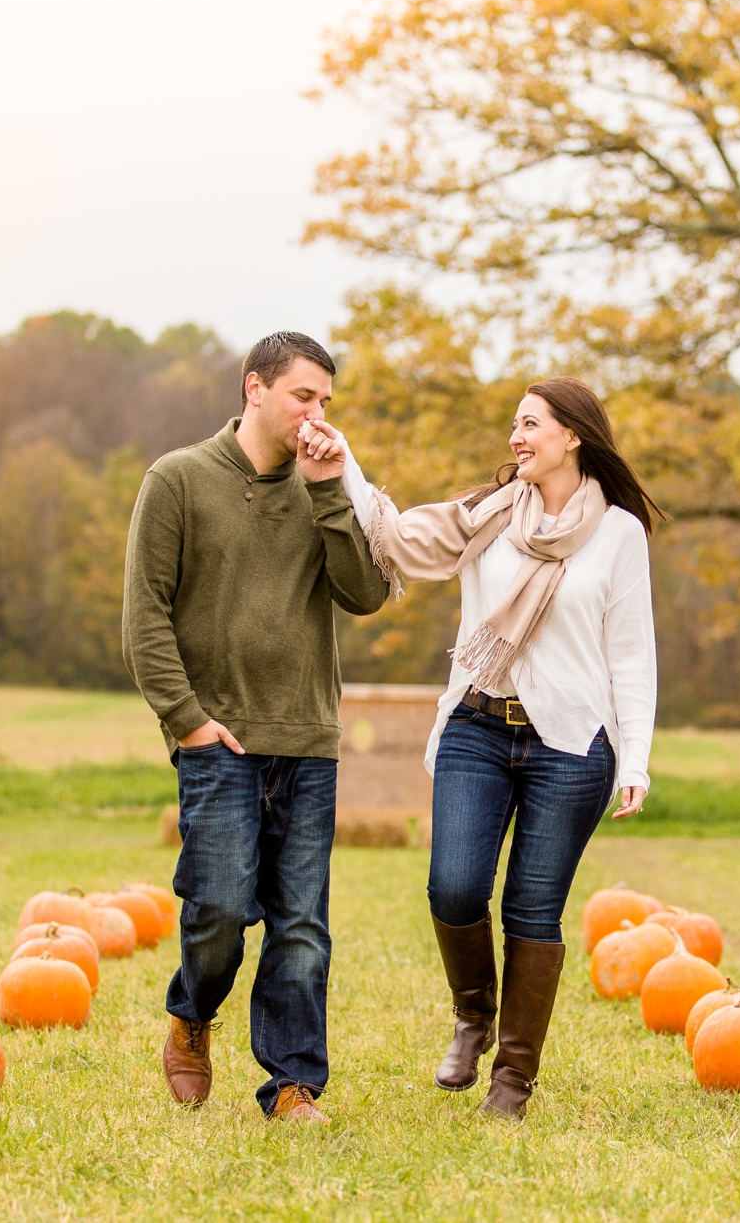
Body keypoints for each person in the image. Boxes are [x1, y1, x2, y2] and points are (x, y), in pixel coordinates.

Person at [343, 376, 659, 1119]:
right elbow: (396, 535)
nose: (516, 438)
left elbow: (632, 655)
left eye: (530, 425)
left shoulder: (619, 535)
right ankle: (472, 1015)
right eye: (514, 426)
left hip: (572, 744)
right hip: (478, 725)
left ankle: (513, 1079)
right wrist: (345, 463)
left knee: (532, 910)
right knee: (453, 887)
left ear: (571, 436)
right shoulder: (486, 515)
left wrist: (636, 758)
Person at [121, 330, 387, 1124]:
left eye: (327, 402)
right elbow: (144, 620)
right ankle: (192, 1015)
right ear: (255, 390)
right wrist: (189, 722)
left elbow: (365, 593)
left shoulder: (327, 486)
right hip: (219, 743)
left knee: (302, 926)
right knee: (218, 912)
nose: (317, 414)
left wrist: (331, 491)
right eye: (304, 396)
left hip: (306, 738)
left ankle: (293, 1084)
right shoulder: (177, 480)